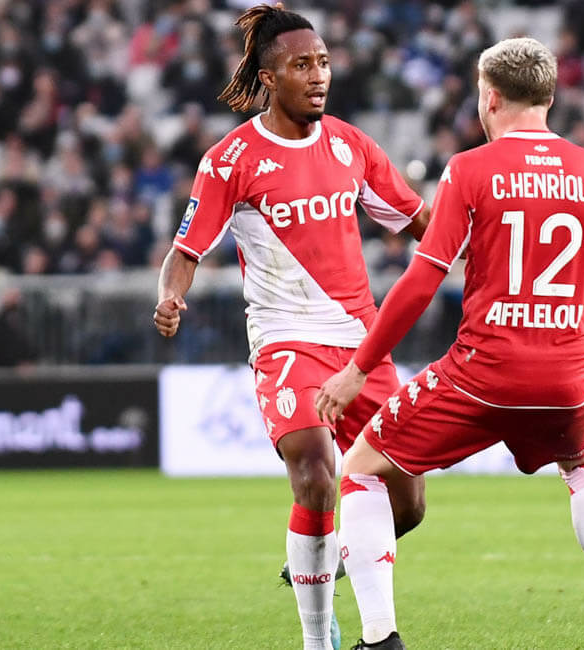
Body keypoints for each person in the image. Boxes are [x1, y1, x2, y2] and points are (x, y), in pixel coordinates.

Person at [315, 38, 584, 650]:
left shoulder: (470, 169)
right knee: (583, 467)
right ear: (549, 97)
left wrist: (359, 368)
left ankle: (380, 635)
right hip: (568, 375)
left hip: (481, 374)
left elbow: (422, 281)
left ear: (489, 98)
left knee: (361, 466)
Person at [153, 5, 429, 649]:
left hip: (361, 344)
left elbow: (421, 223)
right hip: (286, 340)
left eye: (324, 62)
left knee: (408, 504)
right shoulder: (231, 160)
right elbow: (186, 250)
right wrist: (169, 296)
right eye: (302, 65)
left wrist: (486, 248)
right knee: (316, 469)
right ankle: (317, 639)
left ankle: (321, 559)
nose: (318, 75)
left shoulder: (351, 145)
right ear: (269, 78)